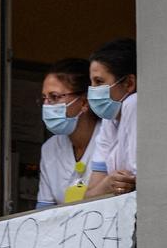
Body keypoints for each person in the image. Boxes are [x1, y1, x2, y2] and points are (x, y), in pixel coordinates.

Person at [36, 58, 102, 209]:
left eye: (54, 97)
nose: (46, 106)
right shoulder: (50, 148)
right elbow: (43, 213)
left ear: (84, 102)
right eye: (44, 98)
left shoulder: (110, 138)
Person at [84, 38, 137, 197]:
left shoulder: (133, 104)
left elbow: (136, 181)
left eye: (99, 82)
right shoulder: (110, 119)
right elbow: (89, 196)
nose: (92, 91)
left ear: (128, 83)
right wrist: (108, 184)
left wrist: (108, 185)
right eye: (91, 83)